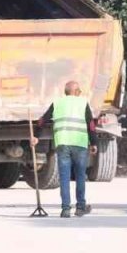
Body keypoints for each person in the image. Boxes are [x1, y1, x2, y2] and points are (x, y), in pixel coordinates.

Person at [38, 81, 96, 218]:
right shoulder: (83, 103)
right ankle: (80, 207)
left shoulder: (57, 103)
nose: (80, 93)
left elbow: (42, 120)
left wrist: (36, 136)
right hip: (79, 144)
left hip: (62, 144)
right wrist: (94, 143)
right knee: (80, 176)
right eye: (79, 90)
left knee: (64, 177)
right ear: (75, 91)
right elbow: (91, 125)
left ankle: (65, 209)